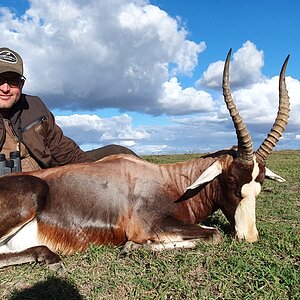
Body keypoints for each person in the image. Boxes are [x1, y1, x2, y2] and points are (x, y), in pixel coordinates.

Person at [0, 47, 137, 172]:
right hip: (19, 189)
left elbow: (62, 149)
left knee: (119, 152)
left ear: (22, 84)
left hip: (53, 175)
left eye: (13, 81)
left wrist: (92, 171)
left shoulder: (34, 105)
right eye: (0, 80)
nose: (5, 89)